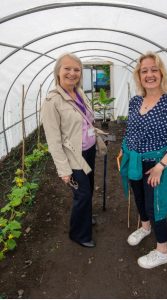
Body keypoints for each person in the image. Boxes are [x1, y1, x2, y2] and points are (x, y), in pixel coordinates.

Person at [119, 51, 167, 268]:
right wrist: (124, 149)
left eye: (153, 69)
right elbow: (131, 129)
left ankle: (162, 250)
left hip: (156, 163)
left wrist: (160, 166)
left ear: (161, 73)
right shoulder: (135, 101)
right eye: (144, 71)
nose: (149, 74)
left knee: (155, 205)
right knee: (138, 196)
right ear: (139, 76)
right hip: (134, 159)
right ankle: (145, 227)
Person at [41, 53, 97, 248]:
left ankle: (86, 216)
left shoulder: (79, 92)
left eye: (76, 69)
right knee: (82, 194)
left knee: (88, 190)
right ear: (58, 72)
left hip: (89, 150)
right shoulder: (52, 101)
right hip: (73, 157)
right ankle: (78, 234)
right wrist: (63, 170)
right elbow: (53, 140)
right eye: (67, 68)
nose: (72, 73)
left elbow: (85, 121)